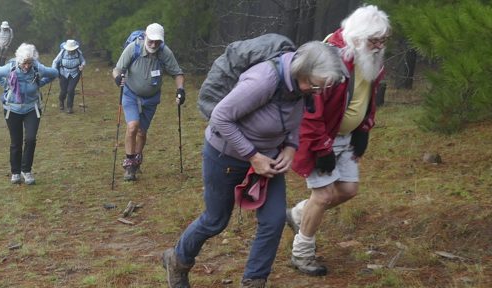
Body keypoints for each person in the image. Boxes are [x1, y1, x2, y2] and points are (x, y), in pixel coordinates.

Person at [161, 41, 346, 288]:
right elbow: (220, 117)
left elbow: (294, 119)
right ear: (302, 69)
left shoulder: (302, 89)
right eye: (314, 85)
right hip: (224, 156)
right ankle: (178, 260)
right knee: (216, 220)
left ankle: (254, 282)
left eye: (321, 87)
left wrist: (291, 147)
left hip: (269, 161)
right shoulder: (264, 80)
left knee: (274, 220)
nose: (317, 92)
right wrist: (253, 156)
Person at [286, 5, 391, 277]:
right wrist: (321, 148)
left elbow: (367, 96)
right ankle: (302, 254)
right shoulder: (328, 58)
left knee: (348, 189)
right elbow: (310, 112)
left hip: (345, 136)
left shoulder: (369, 57)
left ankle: (298, 215)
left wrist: (364, 129)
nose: (379, 46)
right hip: (321, 137)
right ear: (357, 37)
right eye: (374, 40)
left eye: (383, 40)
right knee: (323, 196)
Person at [111, 23, 185, 181]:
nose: (153, 45)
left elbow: (177, 73)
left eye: (157, 42)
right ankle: (129, 165)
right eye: (151, 41)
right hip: (130, 94)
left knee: (142, 132)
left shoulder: (164, 53)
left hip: (151, 98)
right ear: (145, 36)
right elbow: (117, 69)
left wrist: (180, 90)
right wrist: (118, 78)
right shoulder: (133, 48)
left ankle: (137, 160)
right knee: (132, 127)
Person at [0, 43, 58, 185]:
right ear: (19, 61)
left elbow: (54, 73)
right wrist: (5, 84)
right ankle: (15, 172)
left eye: (29, 63)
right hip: (12, 109)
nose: (27, 66)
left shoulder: (37, 67)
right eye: (25, 63)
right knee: (16, 142)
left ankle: (27, 171)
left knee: (30, 139)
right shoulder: (10, 68)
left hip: (32, 108)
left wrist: (40, 83)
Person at [51, 39, 86, 113]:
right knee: (63, 91)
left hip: (75, 74)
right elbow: (55, 61)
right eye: (69, 50)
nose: (70, 51)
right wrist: (53, 71)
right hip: (63, 73)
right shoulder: (62, 52)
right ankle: (61, 100)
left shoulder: (78, 53)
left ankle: (70, 107)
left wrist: (82, 66)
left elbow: (83, 61)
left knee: (70, 90)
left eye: (72, 50)